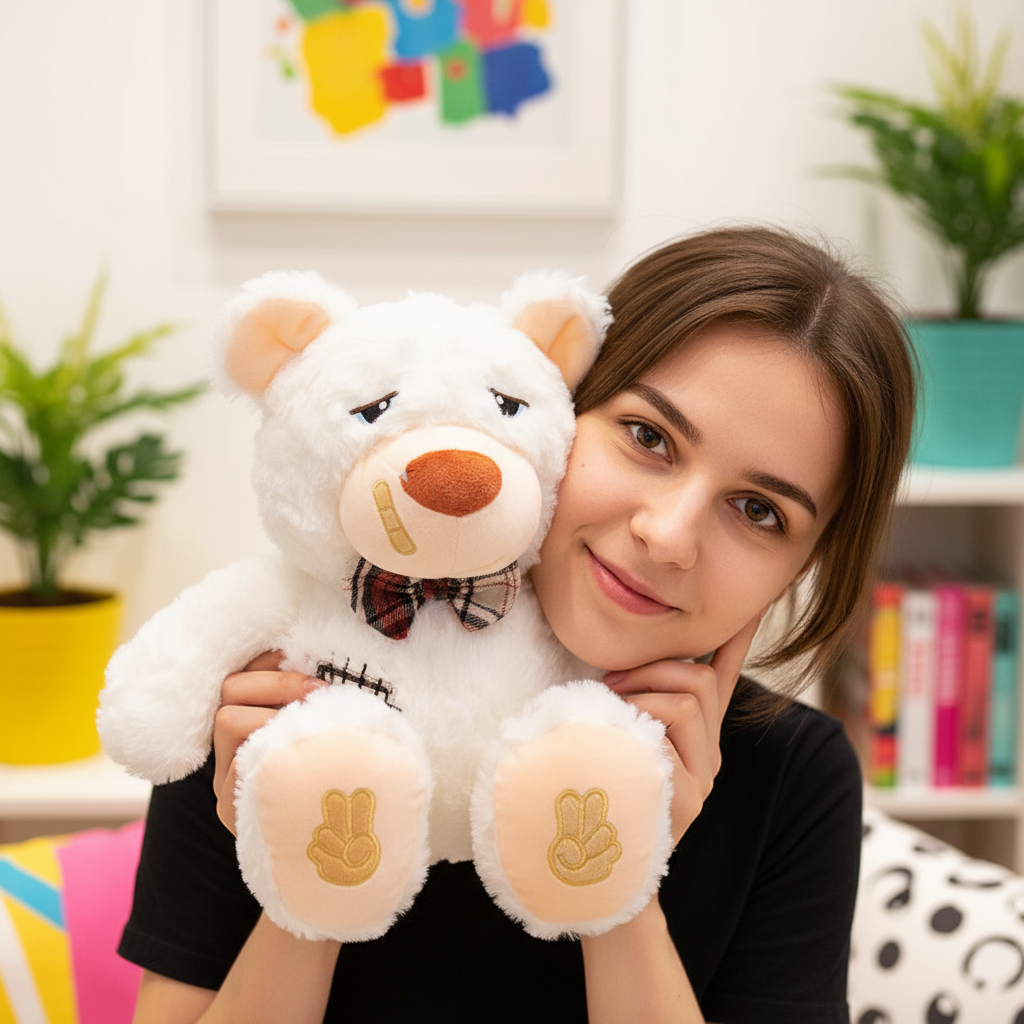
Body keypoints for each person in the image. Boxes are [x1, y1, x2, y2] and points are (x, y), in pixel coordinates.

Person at [121, 226, 917, 1024]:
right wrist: (304, 875)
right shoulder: (269, 689)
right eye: (649, 437)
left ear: (806, 563)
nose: (668, 535)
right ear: (561, 405)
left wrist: (618, 881)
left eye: (759, 511)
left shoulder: (793, 775)